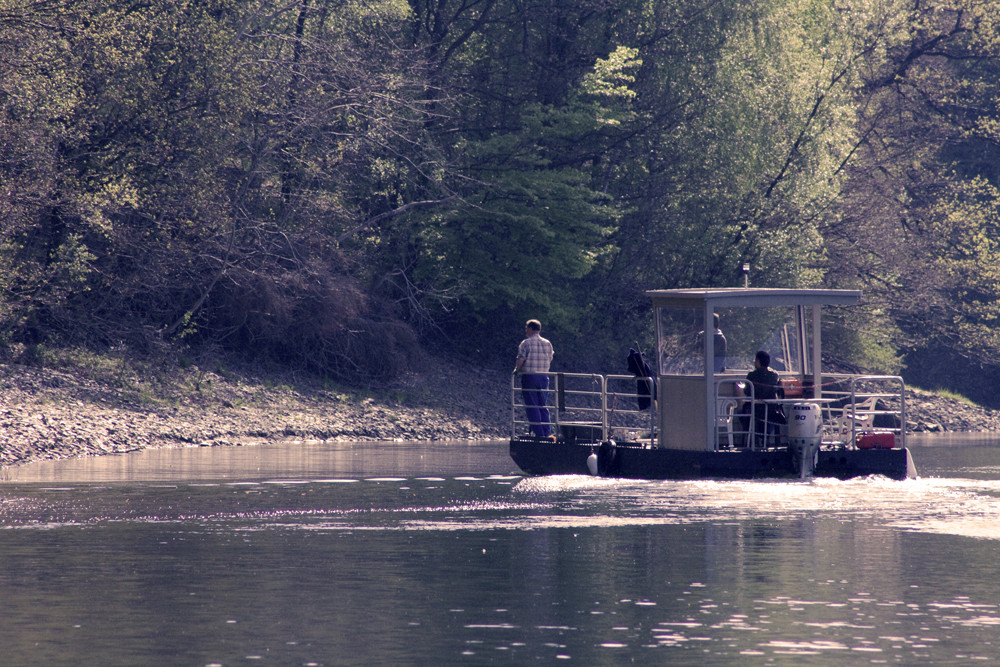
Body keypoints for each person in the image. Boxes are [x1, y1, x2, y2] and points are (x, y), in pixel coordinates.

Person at [514, 319, 555, 439]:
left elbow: (521, 359)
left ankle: (539, 433)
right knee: (543, 405)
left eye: (527, 328)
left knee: (532, 405)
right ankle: (547, 432)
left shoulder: (525, 343)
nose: (526, 331)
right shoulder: (548, 343)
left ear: (531, 329)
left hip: (530, 376)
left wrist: (516, 370)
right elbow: (550, 358)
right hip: (543, 377)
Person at [739, 349, 785, 447]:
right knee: (769, 418)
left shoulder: (751, 375)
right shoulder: (774, 375)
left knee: (741, 413)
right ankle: (765, 437)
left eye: (755, 360)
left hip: (755, 409)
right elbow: (777, 390)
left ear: (758, 361)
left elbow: (747, 391)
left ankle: (751, 438)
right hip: (772, 409)